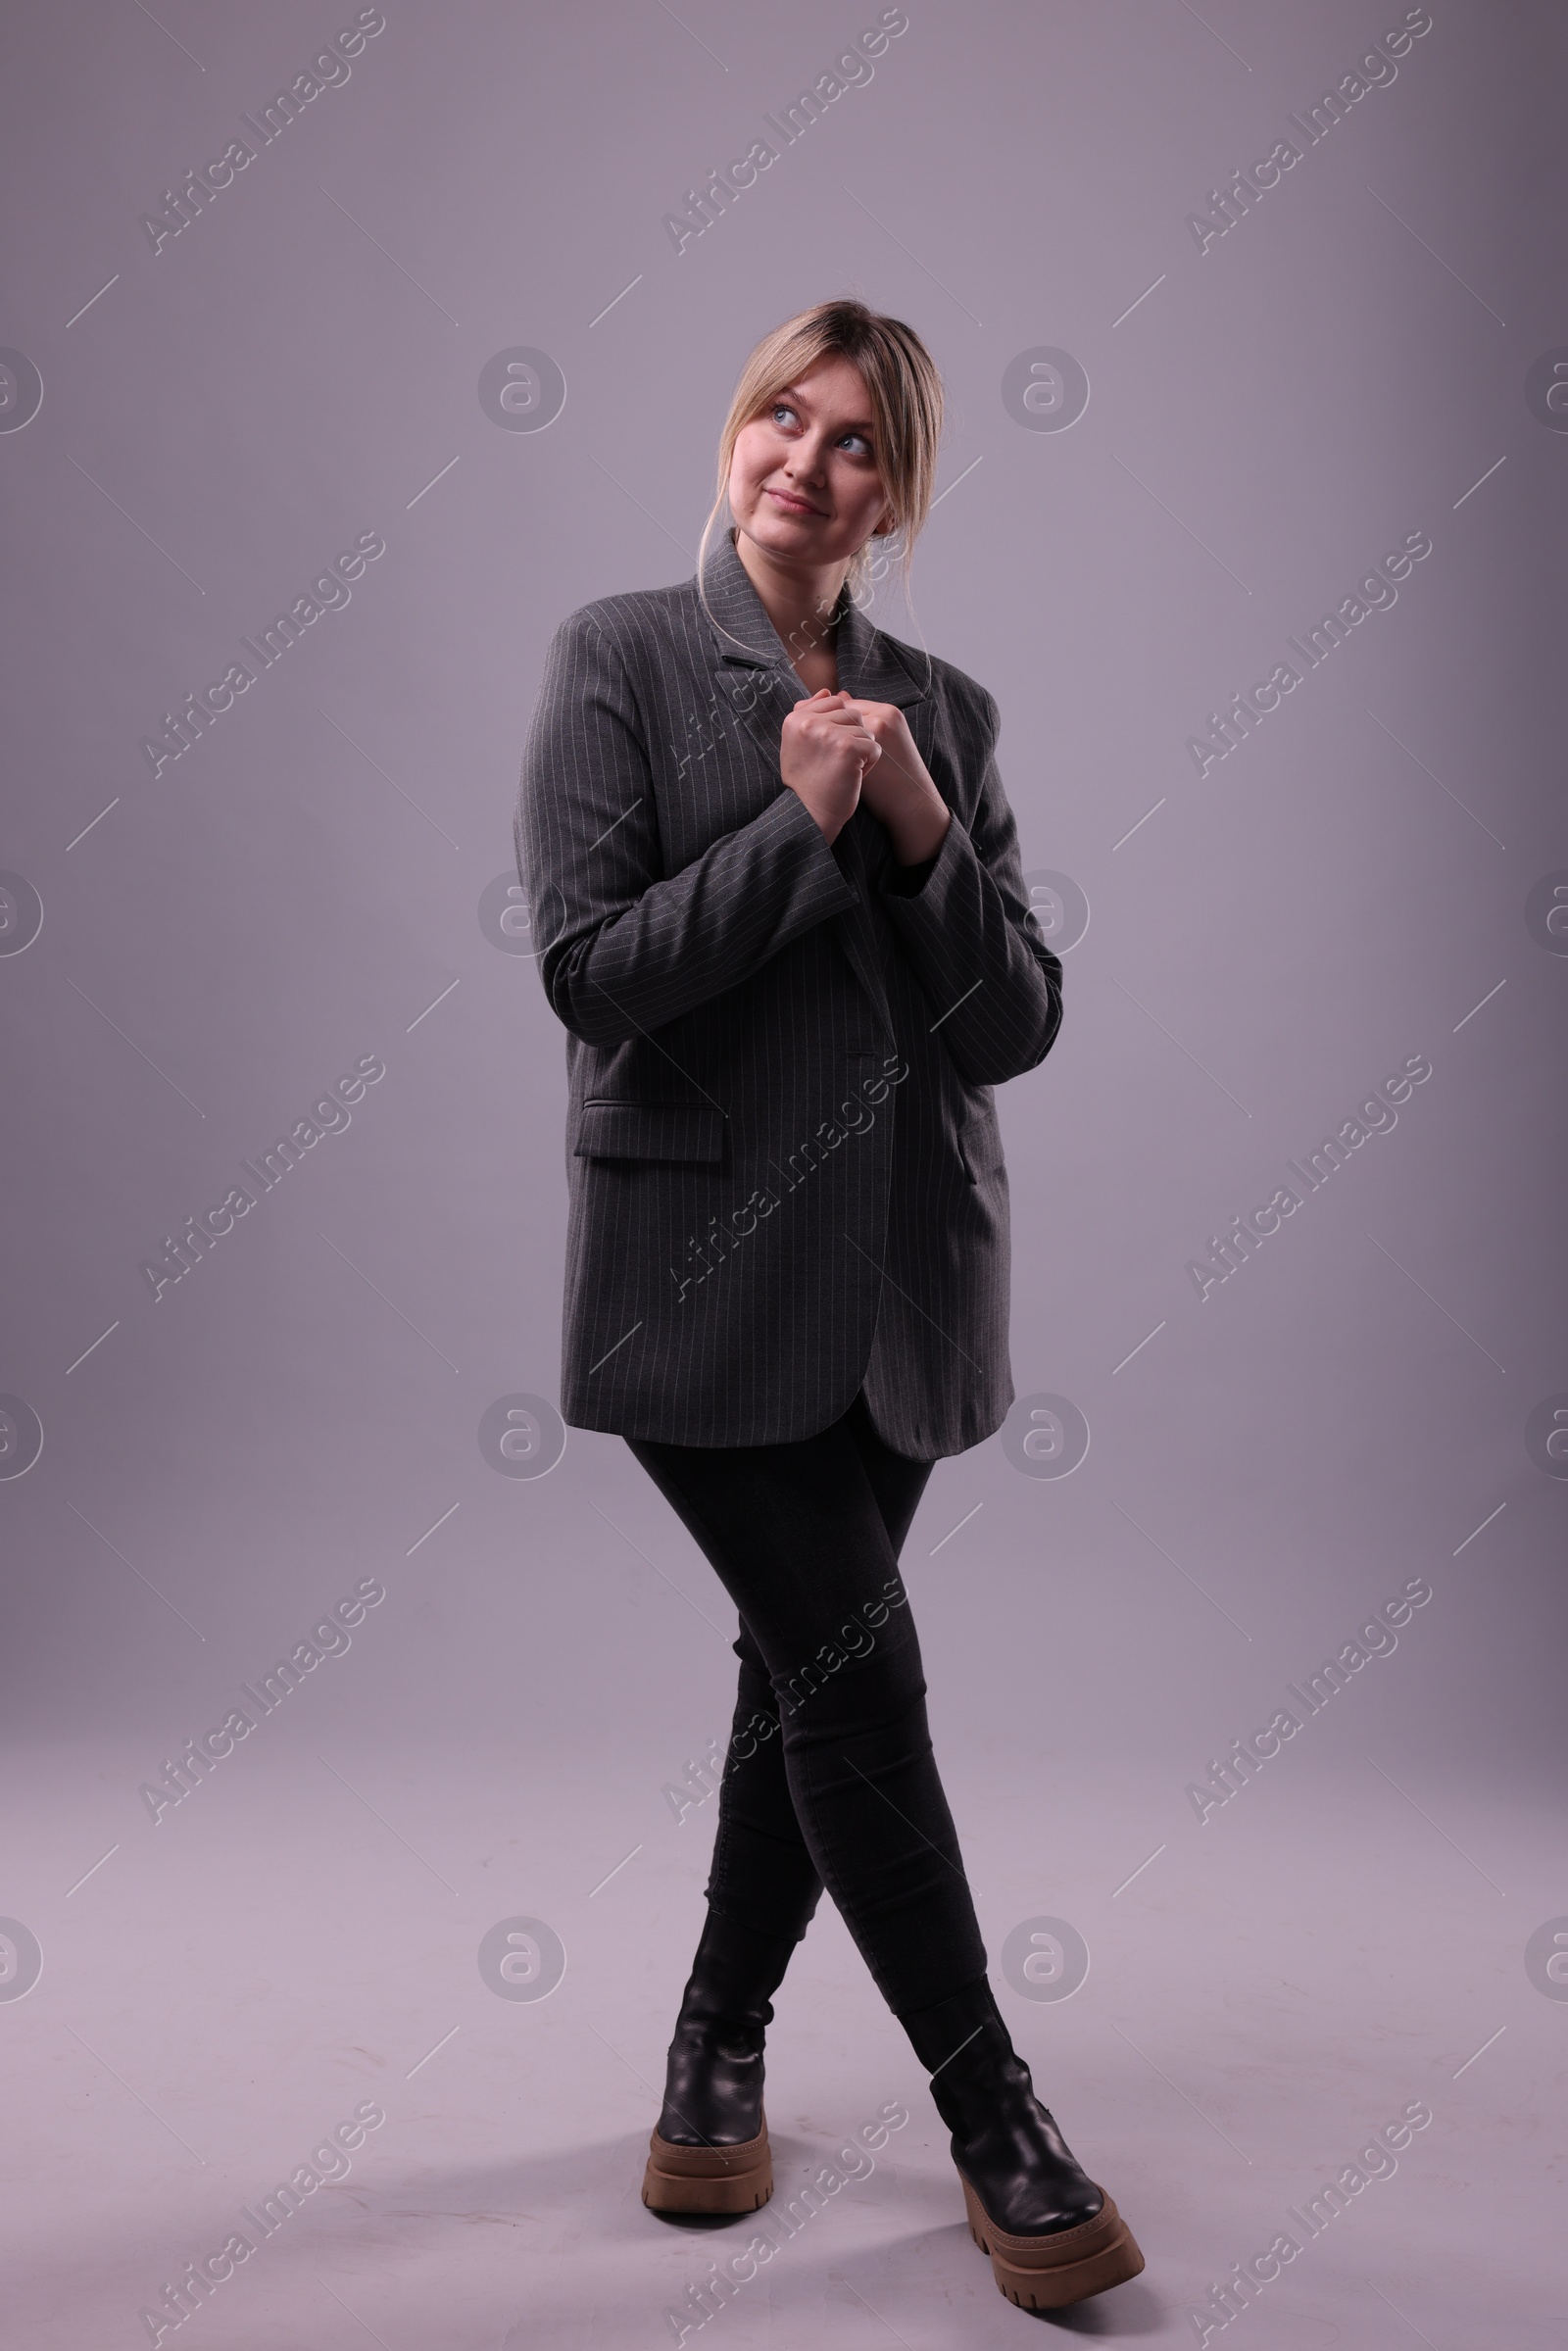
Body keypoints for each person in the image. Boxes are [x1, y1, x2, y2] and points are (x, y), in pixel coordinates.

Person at [515, 297, 1143, 2311]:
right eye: (779, 414)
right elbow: (592, 973)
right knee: (856, 1683)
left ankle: (712, 2052)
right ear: (735, 431)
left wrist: (911, 824)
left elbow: (1012, 1025)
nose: (803, 457)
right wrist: (796, 820)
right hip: (698, 1286)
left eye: (854, 439)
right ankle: (995, 2120)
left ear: (899, 489)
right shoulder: (616, 655)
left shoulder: (940, 708)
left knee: (793, 1681)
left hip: (903, 1286)